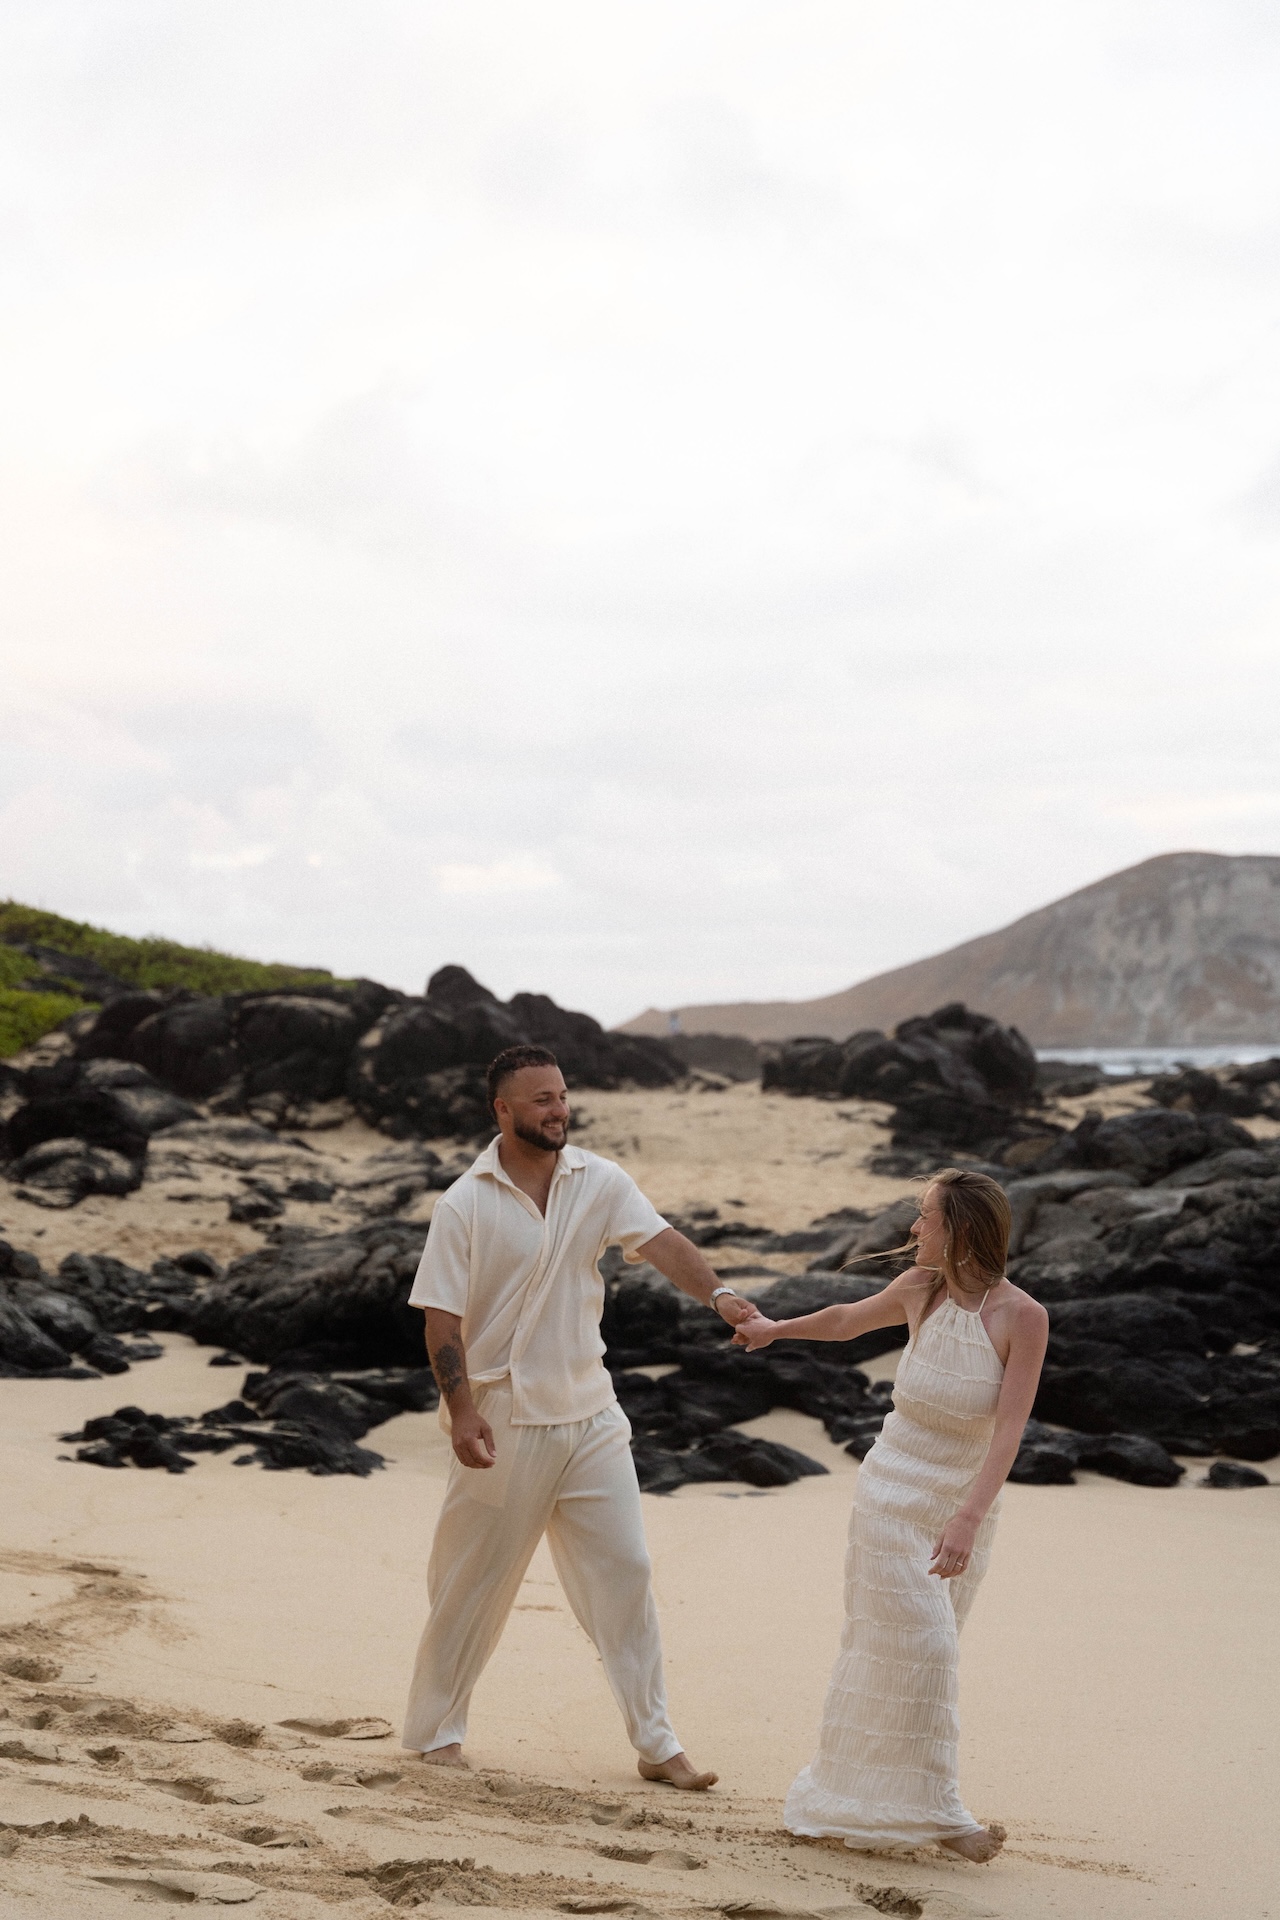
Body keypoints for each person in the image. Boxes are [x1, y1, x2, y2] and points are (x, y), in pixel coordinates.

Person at [402, 1043, 754, 1787]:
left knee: (625, 1571)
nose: (558, 1110)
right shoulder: (464, 1203)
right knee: (471, 1582)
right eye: (540, 1100)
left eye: (561, 1096)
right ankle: (436, 1733)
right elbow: (441, 1322)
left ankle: (659, 1746)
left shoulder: (600, 1180)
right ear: (502, 1110)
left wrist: (720, 1296)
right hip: (504, 1418)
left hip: (592, 1414)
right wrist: (461, 1412)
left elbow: (661, 1244)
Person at [732, 1167, 1048, 1862]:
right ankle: (945, 1815)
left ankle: (859, 1800)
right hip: (889, 1493)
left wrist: (967, 1517)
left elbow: (1008, 1434)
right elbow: (846, 1322)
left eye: (925, 1217)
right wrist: (773, 1329)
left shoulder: (1023, 1318)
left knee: (916, 1651)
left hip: (960, 1507)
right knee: (924, 1649)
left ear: (959, 1229)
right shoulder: (919, 1290)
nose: (913, 1229)